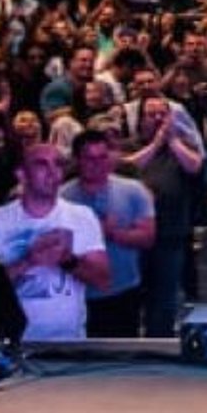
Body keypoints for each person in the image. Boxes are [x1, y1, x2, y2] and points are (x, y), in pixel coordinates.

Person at [0, 144, 110, 340]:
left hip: (68, 344)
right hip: (11, 344)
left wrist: (67, 260)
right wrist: (28, 261)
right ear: (22, 175)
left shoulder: (82, 216)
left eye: (58, 165)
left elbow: (102, 279)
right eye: (42, 165)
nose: (53, 172)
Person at [59, 129, 155, 337]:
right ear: (77, 160)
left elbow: (148, 238)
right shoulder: (62, 197)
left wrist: (114, 234)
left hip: (123, 291)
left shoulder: (133, 190)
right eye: (90, 159)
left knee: (122, 358)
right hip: (75, 294)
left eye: (102, 157)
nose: (98, 164)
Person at [124, 93, 202, 336]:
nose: (158, 119)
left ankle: (160, 339)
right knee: (134, 292)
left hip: (171, 231)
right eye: (151, 114)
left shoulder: (183, 144)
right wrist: (155, 145)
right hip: (134, 234)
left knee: (165, 294)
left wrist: (173, 142)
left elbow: (195, 166)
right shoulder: (132, 144)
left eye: (162, 114)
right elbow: (125, 168)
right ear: (141, 119)